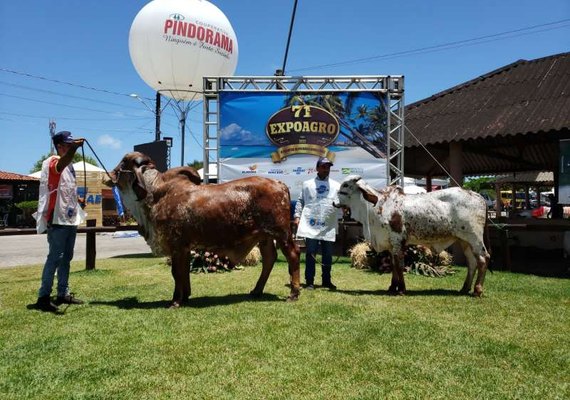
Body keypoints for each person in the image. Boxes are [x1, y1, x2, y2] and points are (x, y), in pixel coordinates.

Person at [34, 131, 86, 312]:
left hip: (69, 218)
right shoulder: (54, 162)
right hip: (57, 219)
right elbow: (61, 166)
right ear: (60, 146)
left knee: (66, 258)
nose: (70, 147)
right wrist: (74, 149)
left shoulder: (70, 166)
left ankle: (62, 292)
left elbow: (66, 189)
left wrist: (78, 201)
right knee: (55, 258)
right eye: (68, 144)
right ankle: (43, 296)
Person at [293, 157, 341, 290]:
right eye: (324, 167)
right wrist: (297, 216)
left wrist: (340, 219)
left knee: (327, 254)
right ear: (317, 168)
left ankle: (326, 280)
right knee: (311, 253)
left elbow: (339, 204)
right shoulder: (307, 184)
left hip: (328, 224)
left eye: (328, 167)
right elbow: (300, 201)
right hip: (311, 224)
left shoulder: (336, 185)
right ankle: (309, 281)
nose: (327, 169)